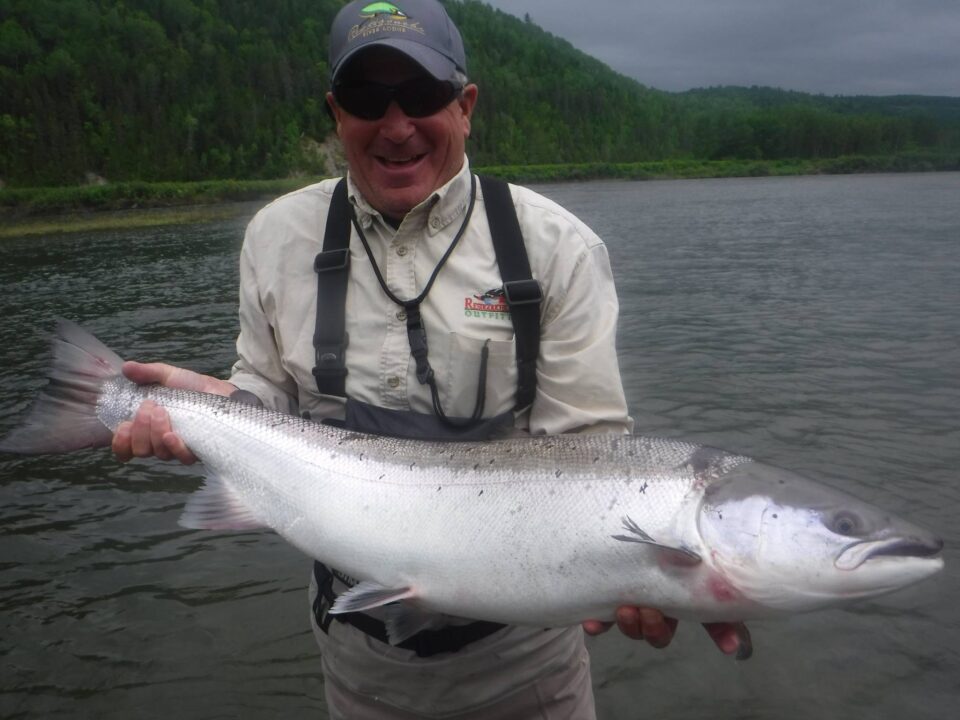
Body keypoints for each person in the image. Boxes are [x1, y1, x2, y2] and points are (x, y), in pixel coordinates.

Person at [112, 1, 748, 716]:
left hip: (527, 665)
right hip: (356, 658)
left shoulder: (558, 249)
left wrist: (647, 571)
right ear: (335, 113)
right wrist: (199, 413)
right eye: (365, 99)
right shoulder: (275, 237)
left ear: (465, 104)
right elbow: (266, 403)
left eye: (420, 95)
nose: (396, 125)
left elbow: (592, 458)